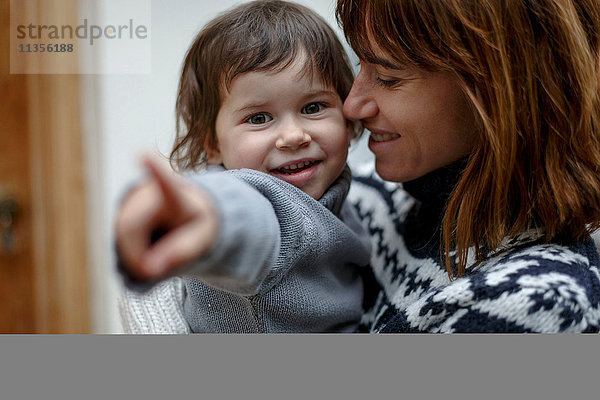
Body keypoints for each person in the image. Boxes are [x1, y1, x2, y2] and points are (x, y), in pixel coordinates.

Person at [338, 0, 600, 332]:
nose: (352, 106)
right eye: (359, 64)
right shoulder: (368, 198)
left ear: (498, 94)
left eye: (389, 77)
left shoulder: (536, 306)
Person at [115, 0, 371, 333]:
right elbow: (248, 215)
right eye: (259, 118)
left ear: (347, 115)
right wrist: (205, 218)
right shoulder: (260, 201)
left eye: (313, 107)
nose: (293, 136)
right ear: (213, 143)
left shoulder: (348, 198)